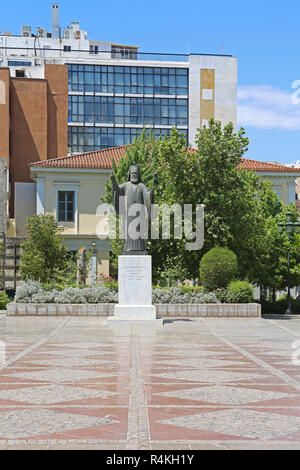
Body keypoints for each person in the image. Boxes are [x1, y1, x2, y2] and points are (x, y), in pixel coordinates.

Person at [111, 162, 156, 255]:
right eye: (132, 173)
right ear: (130, 174)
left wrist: (151, 192)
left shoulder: (141, 186)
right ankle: (128, 248)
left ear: (138, 175)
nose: (134, 175)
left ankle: (141, 248)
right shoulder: (126, 185)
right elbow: (118, 191)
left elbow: (147, 196)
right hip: (128, 215)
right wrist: (114, 183)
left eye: (136, 173)